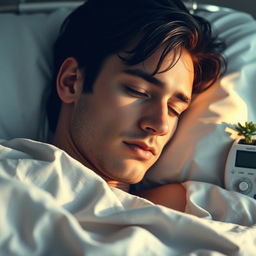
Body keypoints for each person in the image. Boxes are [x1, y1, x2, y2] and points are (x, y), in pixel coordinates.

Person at [46, 0, 225, 211]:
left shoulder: (205, 212)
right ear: (71, 82)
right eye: (138, 91)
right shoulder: (12, 179)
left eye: (174, 109)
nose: (161, 125)